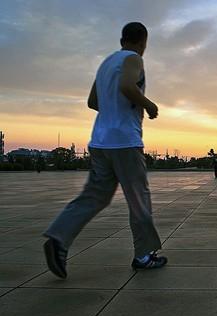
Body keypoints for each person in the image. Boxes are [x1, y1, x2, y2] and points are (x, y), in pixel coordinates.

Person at [43, 22, 167, 279]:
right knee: (138, 199)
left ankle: (58, 238)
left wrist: (113, 111)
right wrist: (148, 105)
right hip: (125, 142)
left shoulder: (106, 63)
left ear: (122, 39)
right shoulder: (133, 59)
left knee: (94, 196)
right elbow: (127, 86)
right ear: (142, 41)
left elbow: (92, 101)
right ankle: (144, 255)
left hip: (100, 141)